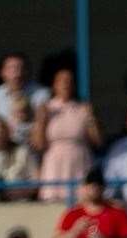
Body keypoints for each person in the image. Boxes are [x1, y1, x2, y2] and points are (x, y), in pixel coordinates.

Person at [34, 68, 102, 203]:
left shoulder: (82, 108)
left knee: (82, 202)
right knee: (53, 203)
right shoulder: (47, 108)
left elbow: (98, 141)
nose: (65, 84)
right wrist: (41, 120)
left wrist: (91, 118)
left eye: (69, 81)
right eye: (61, 81)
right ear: (54, 85)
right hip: (54, 163)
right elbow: (39, 145)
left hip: (79, 161)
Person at [0, 52, 49, 146]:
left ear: (27, 71)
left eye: (21, 68)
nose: (17, 73)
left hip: (31, 154)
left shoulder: (42, 95)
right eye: (11, 68)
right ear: (2, 72)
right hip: (1, 155)